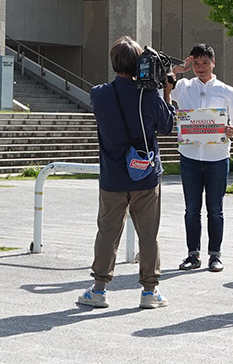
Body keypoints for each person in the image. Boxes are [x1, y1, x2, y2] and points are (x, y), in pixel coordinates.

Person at [77, 36, 176, 310]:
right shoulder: (151, 96)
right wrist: (166, 91)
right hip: (145, 175)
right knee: (148, 233)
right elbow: (167, 127)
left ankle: (99, 289)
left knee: (108, 231)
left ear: (113, 63)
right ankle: (149, 292)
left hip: (113, 176)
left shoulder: (99, 94)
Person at [170, 44, 233, 272]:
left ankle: (215, 255)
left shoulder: (226, 90)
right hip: (190, 156)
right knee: (192, 208)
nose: (200, 68)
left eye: (204, 63)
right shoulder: (183, 86)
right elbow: (162, 85)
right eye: (195, 63)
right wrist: (177, 70)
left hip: (217, 158)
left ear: (213, 63)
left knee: (215, 209)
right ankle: (193, 254)